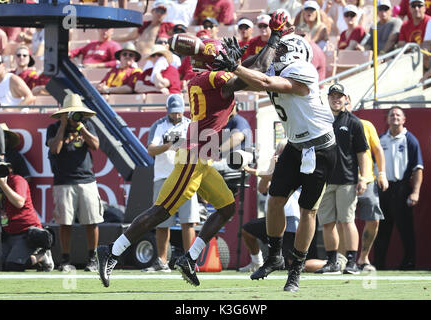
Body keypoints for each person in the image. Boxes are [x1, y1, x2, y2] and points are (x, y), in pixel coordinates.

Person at [96, 11, 292, 288]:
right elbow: (254, 74)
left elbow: (244, 72)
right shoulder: (214, 81)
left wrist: (239, 60)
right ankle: (111, 251)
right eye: (221, 56)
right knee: (161, 211)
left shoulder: (203, 79)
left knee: (226, 207)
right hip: (194, 156)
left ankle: (190, 257)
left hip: (202, 157)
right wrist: (274, 37)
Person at [214, 28, 338, 291]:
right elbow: (245, 80)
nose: (277, 54)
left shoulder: (303, 71)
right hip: (294, 146)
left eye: (282, 50)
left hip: (319, 149)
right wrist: (235, 64)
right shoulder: (275, 70)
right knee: (274, 200)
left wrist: (236, 66)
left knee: (308, 211)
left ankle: (295, 271)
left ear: (295, 53)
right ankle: (274, 255)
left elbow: (265, 83)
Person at [315, 83, 369, 275]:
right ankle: (333, 262)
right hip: (324, 179)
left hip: (347, 179)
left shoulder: (354, 122)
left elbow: (362, 153)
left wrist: (363, 177)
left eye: (340, 96)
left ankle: (352, 262)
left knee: (347, 221)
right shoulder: (320, 120)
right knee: (327, 222)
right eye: (333, 96)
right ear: (327, 98)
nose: (336, 99)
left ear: (346, 98)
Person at [46, 93, 103, 272]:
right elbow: (54, 149)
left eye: (76, 112)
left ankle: (93, 259)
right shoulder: (54, 128)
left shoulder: (87, 125)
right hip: (64, 181)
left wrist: (81, 127)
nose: (73, 116)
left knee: (91, 221)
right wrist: (63, 125)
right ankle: (65, 260)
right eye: (70, 113)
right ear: (63, 113)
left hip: (86, 180)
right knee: (65, 222)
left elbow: (95, 145)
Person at [143, 94, 200, 272]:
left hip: (186, 177)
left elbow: (200, 149)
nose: (175, 116)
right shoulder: (158, 125)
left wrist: (183, 145)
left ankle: (190, 261)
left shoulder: (191, 124)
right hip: (163, 177)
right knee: (161, 222)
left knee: (188, 221)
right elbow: (150, 150)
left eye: (178, 112)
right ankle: (162, 261)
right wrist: (168, 145)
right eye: (172, 113)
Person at [374, 106, 424, 270]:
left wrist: (415, 192)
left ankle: (409, 262)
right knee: (382, 229)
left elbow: (418, 168)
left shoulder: (410, 140)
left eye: (398, 115)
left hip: (402, 188)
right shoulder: (381, 140)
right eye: (391, 115)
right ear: (387, 119)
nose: (395, 117)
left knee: (405, 228)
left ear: (403, 119)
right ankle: (378, 264)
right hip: (383, 189)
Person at [239, 141, 300, 272]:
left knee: (290, 262)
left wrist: (251, 170)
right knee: (247, 230)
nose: (279, 156)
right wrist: (271, 168)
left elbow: (276, 176)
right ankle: (257, 262)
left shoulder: (295, 165)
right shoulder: (276, 167)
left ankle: (330, 262)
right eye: (278, 152)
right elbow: (262, 189)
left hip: (290, 219)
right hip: (273, 218)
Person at [0, 156, 54, 272]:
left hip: (26, 232)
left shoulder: (17, 180)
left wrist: (3, 184)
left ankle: (42, 257)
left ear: (9, 169)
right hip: (9, 232)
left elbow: (19, 202)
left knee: (13, 266)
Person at [354, 117, 389, 271]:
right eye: (332, 97)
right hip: (342, 180)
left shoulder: (366, 124)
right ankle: (343, 259)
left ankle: (363, 258)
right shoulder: (330, 123)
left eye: (342, 98)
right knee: (342, 221)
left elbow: (377, 149)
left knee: (374, 219)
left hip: (367, 180)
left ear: (348, 101)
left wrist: (382, 173)